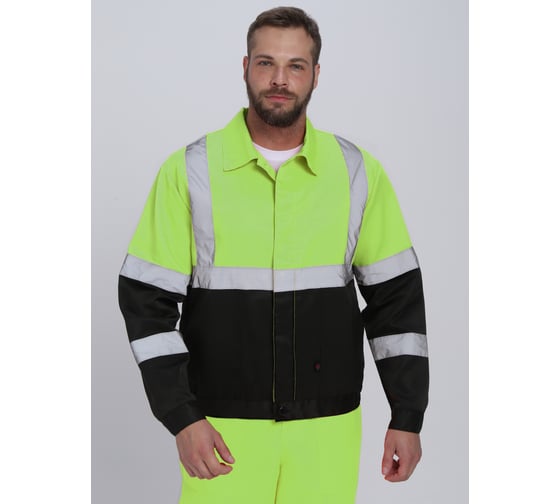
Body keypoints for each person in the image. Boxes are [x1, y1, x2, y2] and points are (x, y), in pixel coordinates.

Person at [118, 6, 429, 503]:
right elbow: (145, 303)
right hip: (222, 430)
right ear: (245, 67)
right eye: (266, 63)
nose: (280, 79)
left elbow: (397, 302)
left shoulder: (355, 173)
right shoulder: (191, 171)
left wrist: (407, 415)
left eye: (295, 66)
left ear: (316, 75)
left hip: (327, 431)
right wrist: (183, 417)